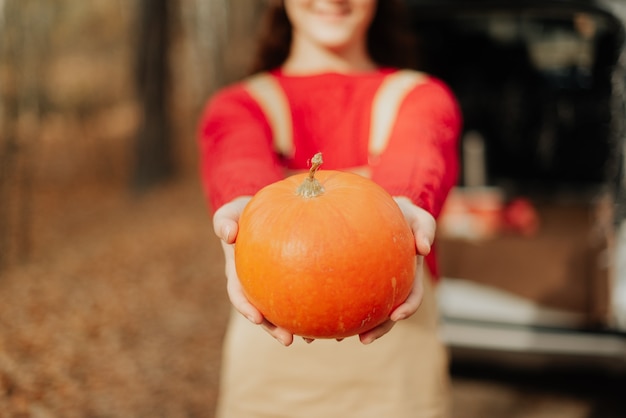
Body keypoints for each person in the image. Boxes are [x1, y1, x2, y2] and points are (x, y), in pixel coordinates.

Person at [198, 0, 462, 417]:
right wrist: (243, 206)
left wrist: (406, 205)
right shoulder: (239, 105)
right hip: (269, 388)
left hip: (397, 386)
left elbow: (418, 153)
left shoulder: (421, 97)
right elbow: (238, 160)